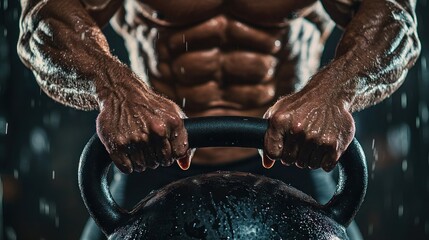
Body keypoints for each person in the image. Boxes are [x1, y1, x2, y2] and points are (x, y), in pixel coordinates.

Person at [18, 0, 420, 239]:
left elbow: (394, 20)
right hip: (152, 158)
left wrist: (336, 93)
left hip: (291, 161)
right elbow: (43, 21)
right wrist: (115, 90)